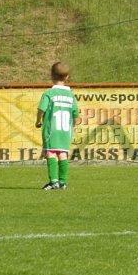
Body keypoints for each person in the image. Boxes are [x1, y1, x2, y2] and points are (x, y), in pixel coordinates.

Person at [36, 62, 79, 190]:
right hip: (65, 131)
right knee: (63, 154)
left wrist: (38, 120)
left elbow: (41, 109)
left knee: (51, 153)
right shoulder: (71, 95)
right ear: (67, 77)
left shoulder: (49, 93)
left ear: (51, 75)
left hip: (52, 130)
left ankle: (54, 181)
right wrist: (73, 126)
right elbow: (75, 114)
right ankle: (63, 182)